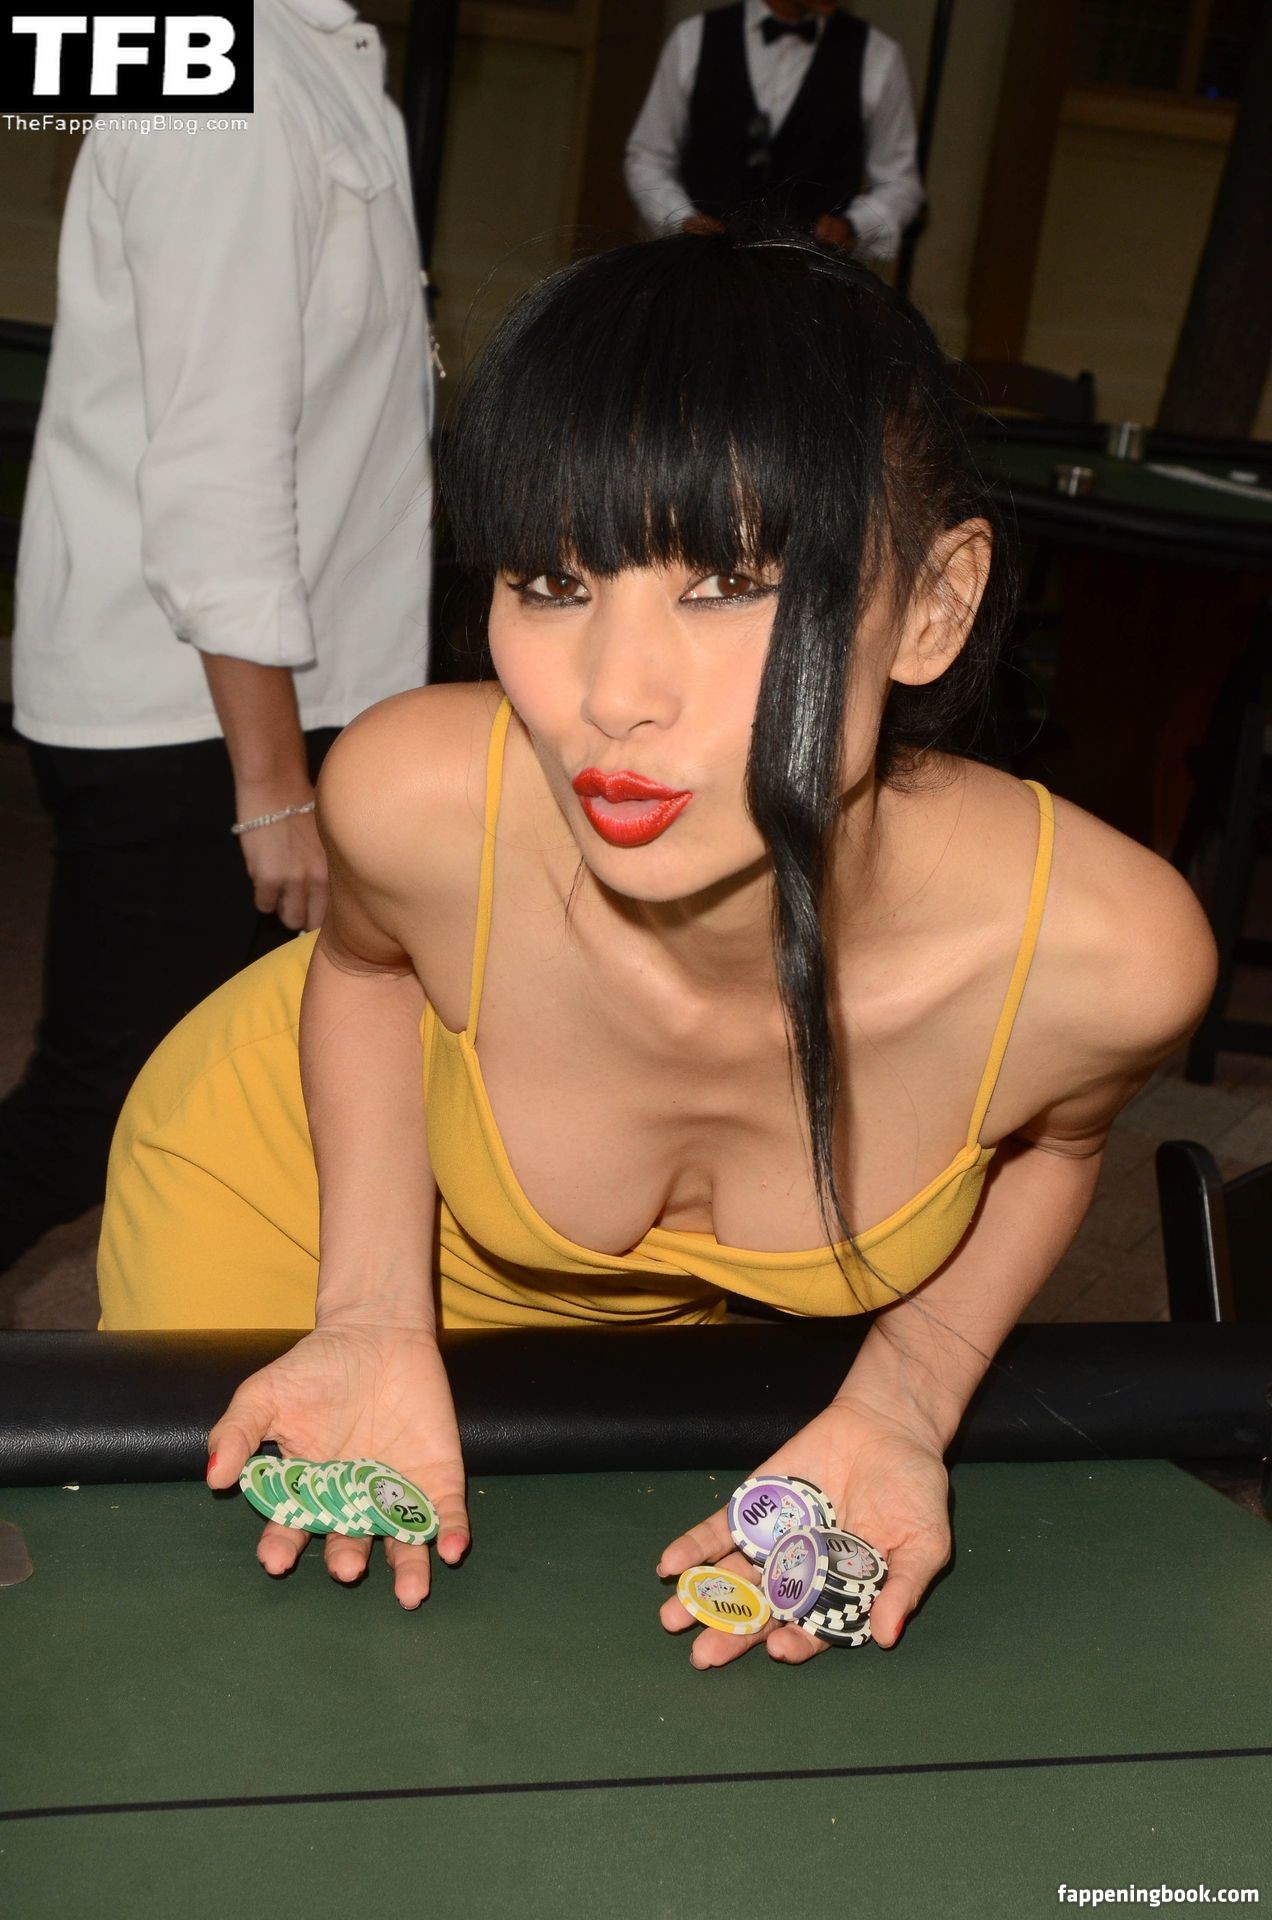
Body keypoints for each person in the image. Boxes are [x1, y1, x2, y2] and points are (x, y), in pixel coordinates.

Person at [98, 234, 1214, 1668]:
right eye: (552, 583)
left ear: (934, 606)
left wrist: (902, 1401)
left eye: (731, 580)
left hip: (626, 1314)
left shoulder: (1107, 959)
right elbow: (364, 969)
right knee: (224, 1669)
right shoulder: (414, 799)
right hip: (291, 1203)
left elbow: (1058, 1143)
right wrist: (368, 1311)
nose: (610, 694)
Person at [0, 0, 433, 1276]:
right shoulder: (232, 84)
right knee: (95, 1115)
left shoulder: (318, 61)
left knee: (268, 1088)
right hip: (196, 716)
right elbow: (218, 475)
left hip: (273, 699)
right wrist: (273, 788)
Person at [624, 0, 923, 260]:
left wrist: (855, 226)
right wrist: (681, 219)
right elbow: (648, 157)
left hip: (812, 282)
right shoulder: (693, 38)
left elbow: (900, 184)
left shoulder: (878, 55)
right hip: (703, 274)